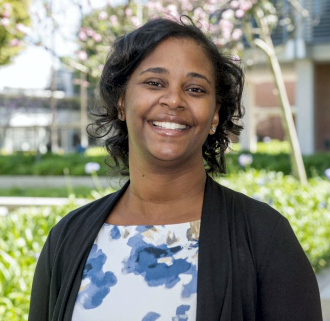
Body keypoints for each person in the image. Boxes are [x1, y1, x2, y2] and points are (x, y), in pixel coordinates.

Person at [29, 17, 322, 321]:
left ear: (215, 117)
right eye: (154, 83)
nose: (174, 100)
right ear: (121, 102)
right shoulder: (66, 239)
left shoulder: (264, 237)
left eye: (195, 89)